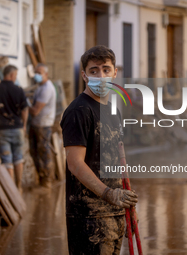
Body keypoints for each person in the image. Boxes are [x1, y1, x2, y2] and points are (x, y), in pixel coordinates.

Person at [60, 45, 138, 254]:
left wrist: (127, 203)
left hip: (114, 212)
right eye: (94, 71)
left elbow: (118, 160)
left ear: (115, 73)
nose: (100, 76)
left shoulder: (112, 111)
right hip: (89, 217)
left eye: (105, 70)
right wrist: (108, 193)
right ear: (84, 75)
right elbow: (75, 164)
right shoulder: (78, 111)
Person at [0, 65, 28, 189]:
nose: (16, 78)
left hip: (2, 130)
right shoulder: (18, 89)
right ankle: (19, 186)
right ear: (11, 75)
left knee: (7, 161)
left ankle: (11, 191)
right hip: (17, 129)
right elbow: (24, 109)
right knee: (18, 158)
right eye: (15, 75)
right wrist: (24, 125)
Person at [29, 63, 57, 189]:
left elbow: (35, 111)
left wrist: (24, 104)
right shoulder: (40, 87)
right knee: (35, 151)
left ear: (46, 74)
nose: (37, 75)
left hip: (43, 125)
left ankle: (47, 181)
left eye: (39, 73)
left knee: (44, 153)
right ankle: (41, 178)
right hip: (37, 124)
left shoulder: (46, 89)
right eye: (36, 72)